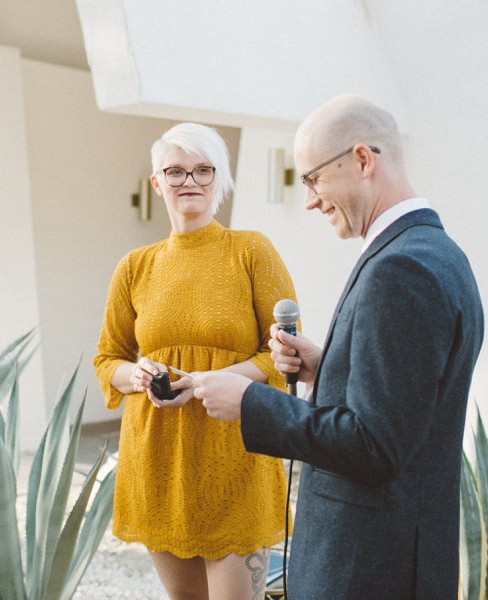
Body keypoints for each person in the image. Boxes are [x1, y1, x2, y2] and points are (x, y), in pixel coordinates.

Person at [192, 95, 484, 599]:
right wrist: (327, 367)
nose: (309, 200)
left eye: (314, 179)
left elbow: (374, 445)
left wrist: (250, 403)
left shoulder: (400, 270)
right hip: (396, 558)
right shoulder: (438, 251)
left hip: (368, 570)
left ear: (363, 160)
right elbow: (411, 401)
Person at [93, 123, 299, 599]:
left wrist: (210, 380)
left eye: (203, 170)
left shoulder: (251, 250)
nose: (190, 181)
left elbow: (283, 354)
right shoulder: (134, 266)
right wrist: (137, 374)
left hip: (237, 455)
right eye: (176, 170)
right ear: (157, 182)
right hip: (158, 459)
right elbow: (109, 359)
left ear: (219, 179)